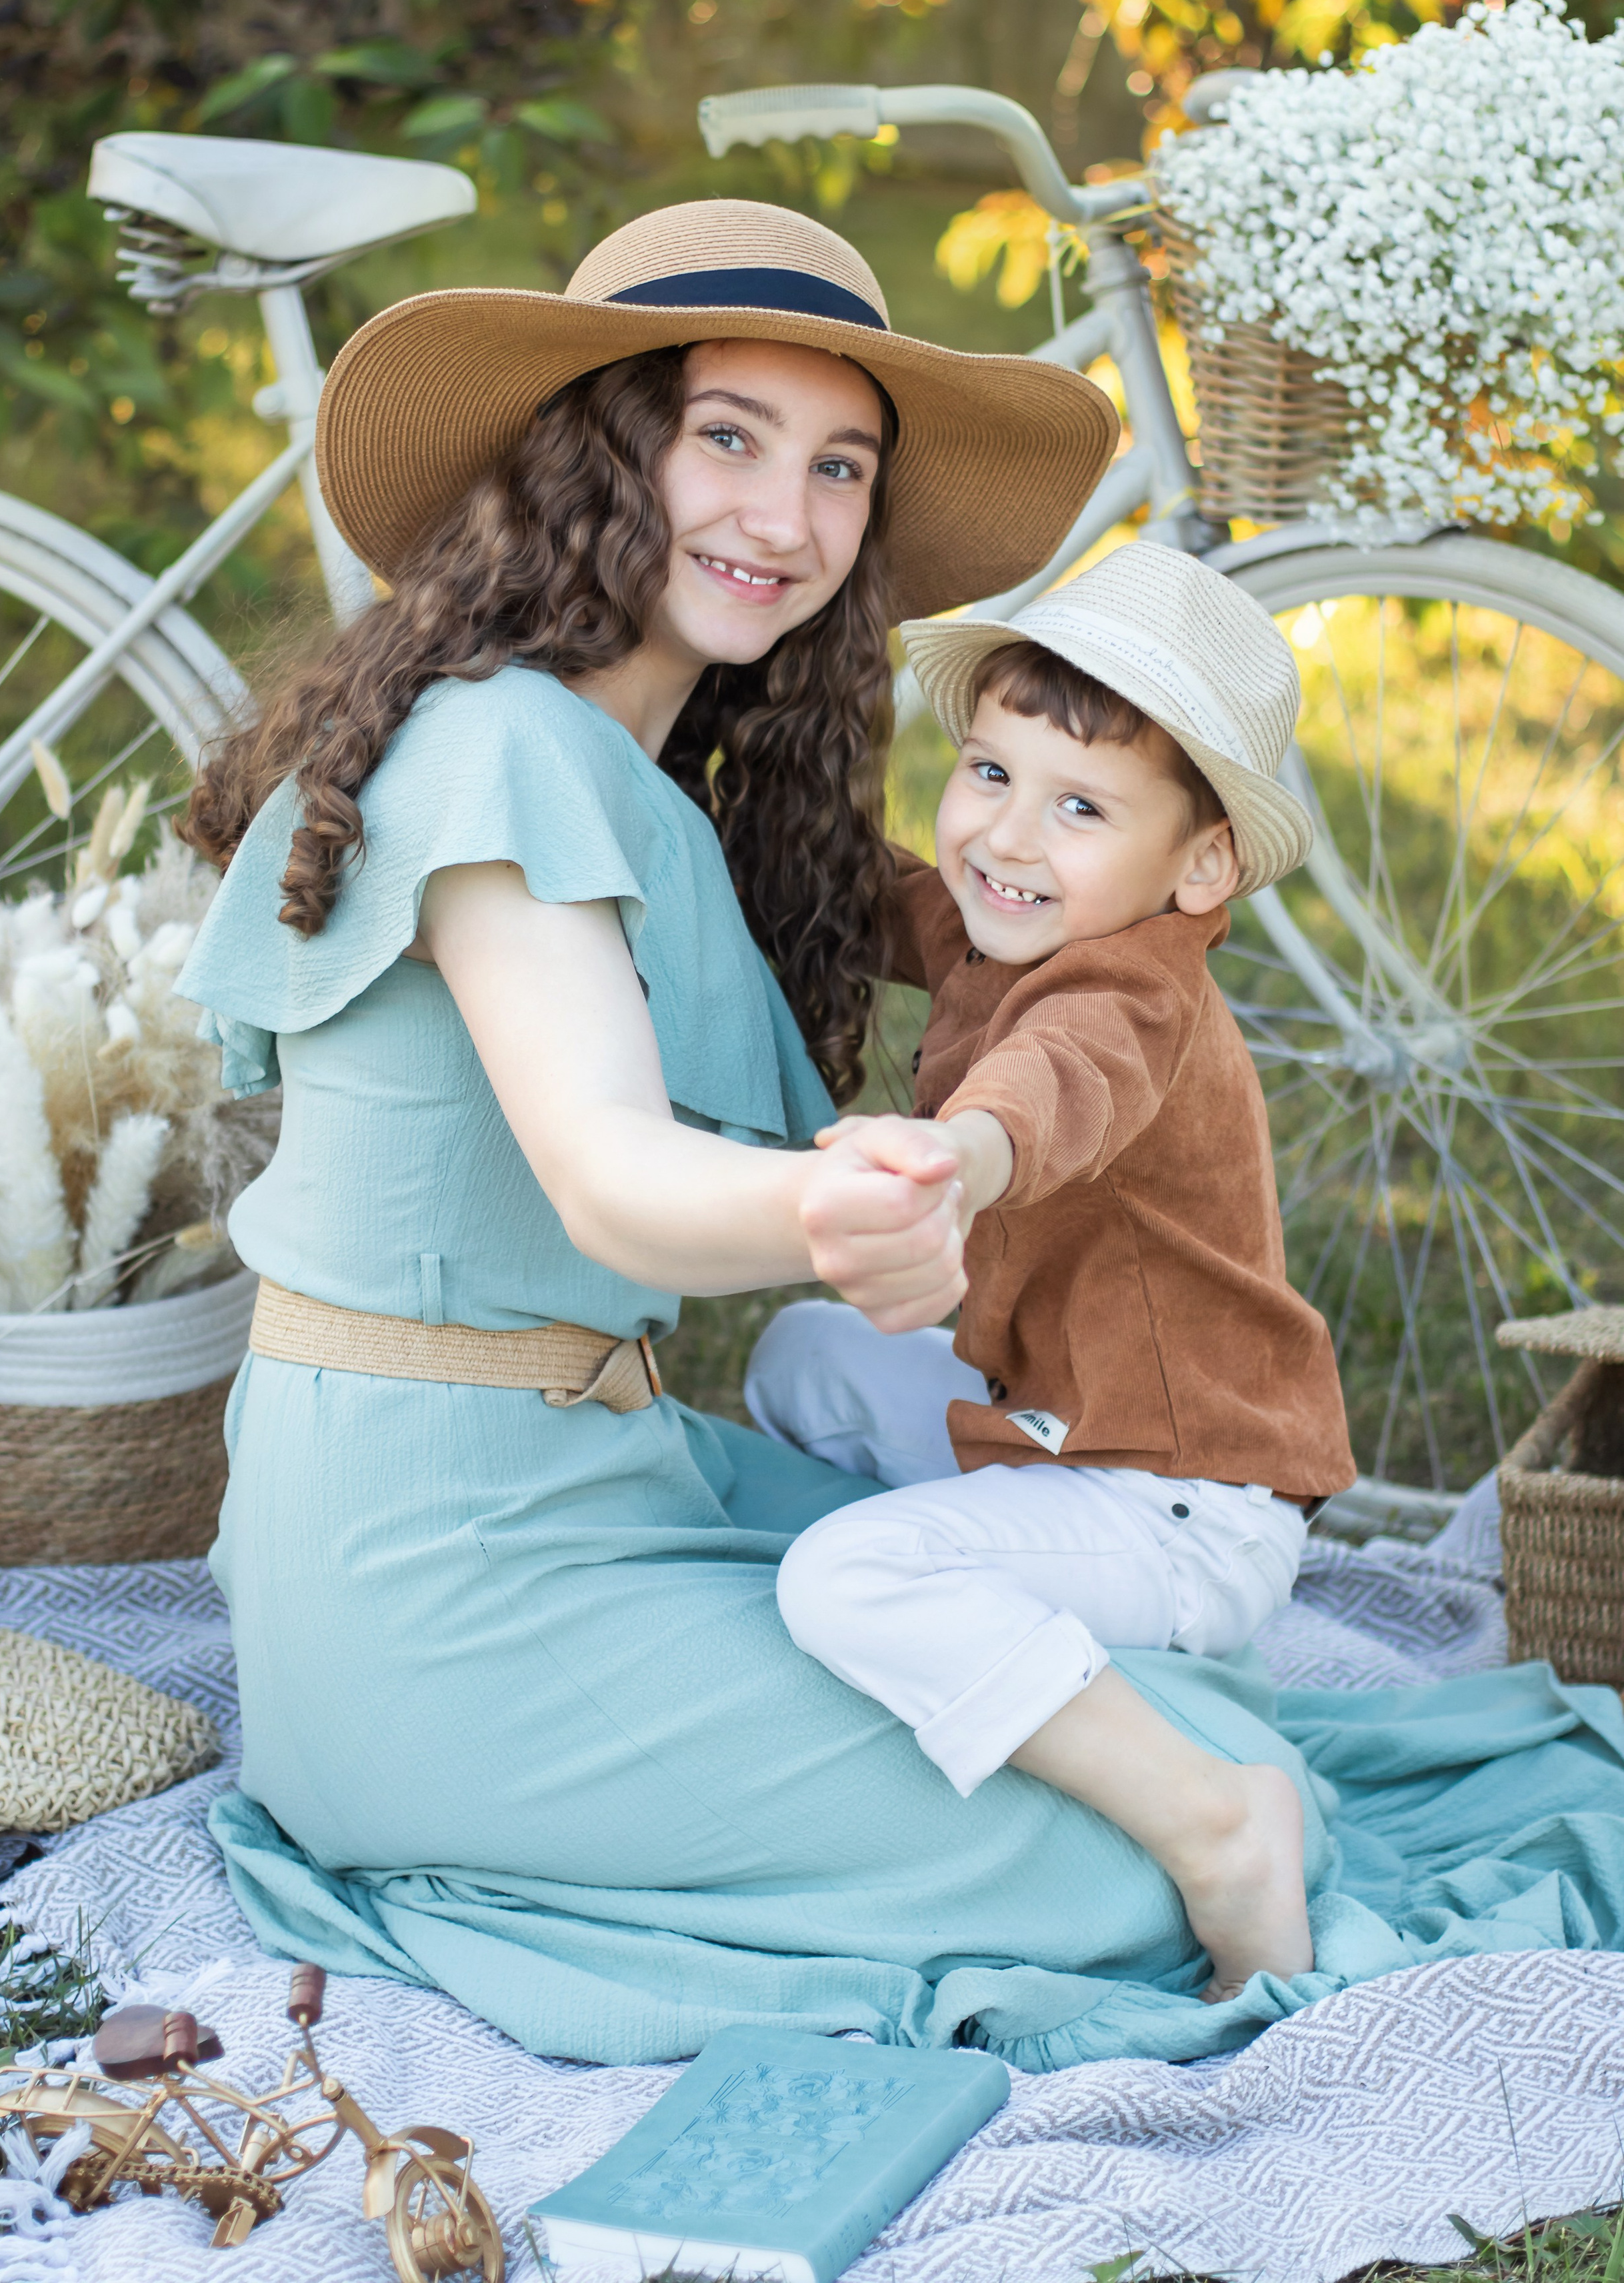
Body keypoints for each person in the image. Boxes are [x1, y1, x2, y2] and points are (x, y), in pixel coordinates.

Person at [174, 197, 1624, 2076]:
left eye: (839, 464)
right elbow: (609, 1172)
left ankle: (1150, 1770)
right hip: (431, 1579)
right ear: (596, 450)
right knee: (1135, 1847)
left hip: (578, 1472)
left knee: (1140, 1693)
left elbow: (984, 975)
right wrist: (844, 1197)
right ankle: (1191, 1829)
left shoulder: (623, 770)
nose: (783, 516)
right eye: (727, 436)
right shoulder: (504, 751)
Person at [756, 543, 1357, 1998]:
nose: (1007, 837)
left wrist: (955, 1158)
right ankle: (996, 1628)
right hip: (1069, 1435)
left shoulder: (1129, 992)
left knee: (842, 1578)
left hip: (1182, 1504)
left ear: (1200, 866)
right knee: (803, 1360)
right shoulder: (1024, 917)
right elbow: (895, 899)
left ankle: (1215, 1821)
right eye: (988, 773)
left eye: (1080, 806)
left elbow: (1057, 1084)